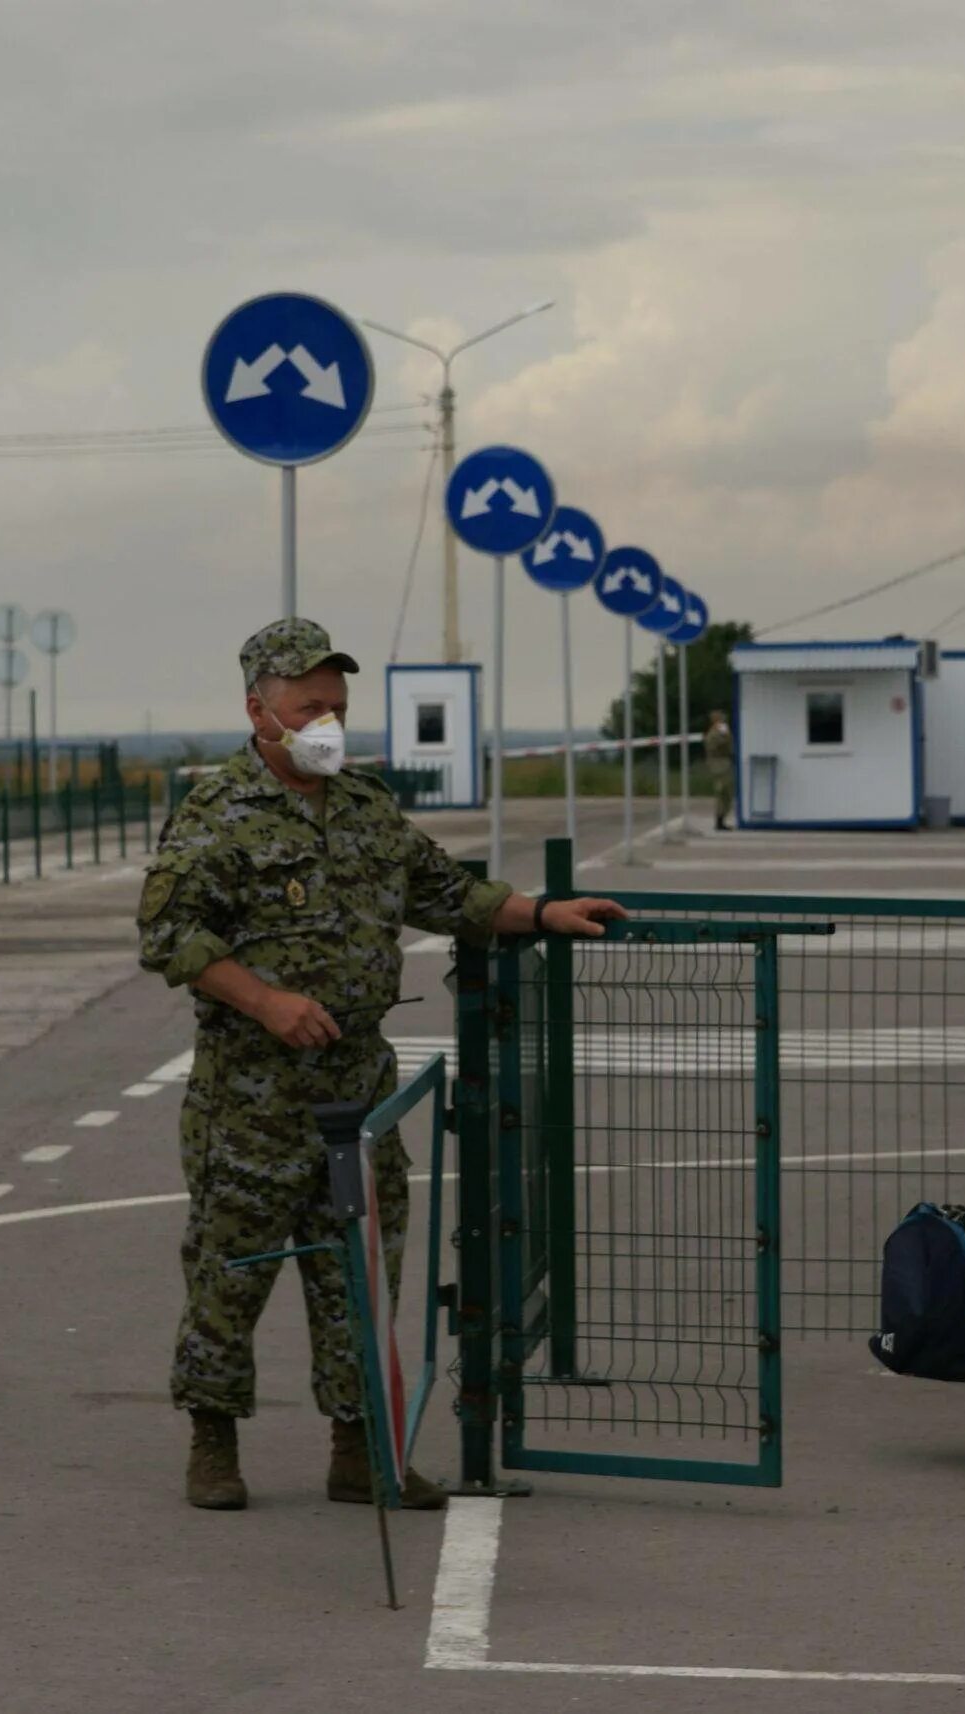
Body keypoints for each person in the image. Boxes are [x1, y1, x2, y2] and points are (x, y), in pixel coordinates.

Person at [139, 617, 626, 1512]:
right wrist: (267, 1002)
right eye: (307, 706)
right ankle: (213, 1442)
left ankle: (360, 1449)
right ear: (260, 710)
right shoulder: (216, 816)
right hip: (249, 1097)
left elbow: (450, 894)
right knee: (229, 1273)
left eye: (337, 706)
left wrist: (542, 912)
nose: (328, 722)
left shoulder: (365, 811)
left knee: (360, 1278)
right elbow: (170, 937)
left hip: (357, 1094)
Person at [704, 709, 734, 830]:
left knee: (725, 793)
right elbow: (723, 743)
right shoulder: (715, 733)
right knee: (722, 792)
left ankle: (721, 819)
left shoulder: (716, 732)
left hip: (722, 763)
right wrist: (725, 734)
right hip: (719, 764)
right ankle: (719, 821)